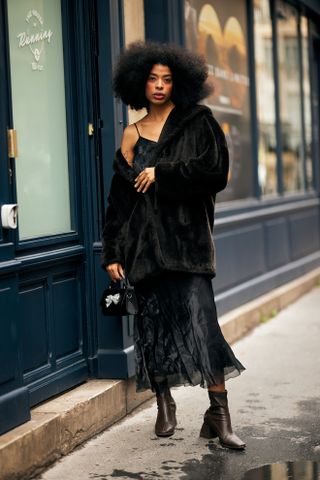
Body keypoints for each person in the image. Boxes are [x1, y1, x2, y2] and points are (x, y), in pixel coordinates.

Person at [101, 41, 245, 450]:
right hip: (143, 249)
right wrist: (111, 250)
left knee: (203, 323)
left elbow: (215, 172)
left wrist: (162, 172)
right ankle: (164, 401)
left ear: (179, 82)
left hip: (188, 245)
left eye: (167, 79)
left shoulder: (198, 121)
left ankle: (219, 411)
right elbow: (119, 199)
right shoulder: (131, 132)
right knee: (153, 329)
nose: (160, 86)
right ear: (139, 84)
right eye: (152, 79)